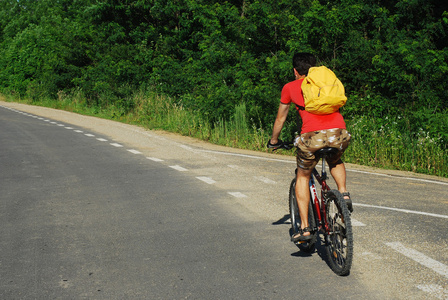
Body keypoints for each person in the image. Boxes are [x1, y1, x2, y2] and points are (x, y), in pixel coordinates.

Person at [268, 53, 352, 243]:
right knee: (335, 159)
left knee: (303, 175)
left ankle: (305, 228)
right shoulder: (326, 82)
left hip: (311, 138)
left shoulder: (290, 87)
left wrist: (274, 140)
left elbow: (280, 118)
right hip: (339, 133)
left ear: (295, 70)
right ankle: (344, 193)